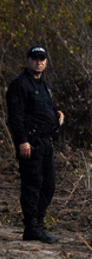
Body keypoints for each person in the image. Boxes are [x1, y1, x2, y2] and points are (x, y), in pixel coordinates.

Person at [6, 46, 65, 243]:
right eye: (35, 58)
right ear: (28, 60)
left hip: (46, 142)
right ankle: (31, 228)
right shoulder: (20, 85)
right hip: (30, 143)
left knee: (49, 185)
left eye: (41, 59)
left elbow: (47, 106)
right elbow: (15, 117)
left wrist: (58, 112)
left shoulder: (44, 84)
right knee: (32, 185)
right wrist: (22, 141)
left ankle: (39, 223)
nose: (38, 62)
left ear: (46, 63)